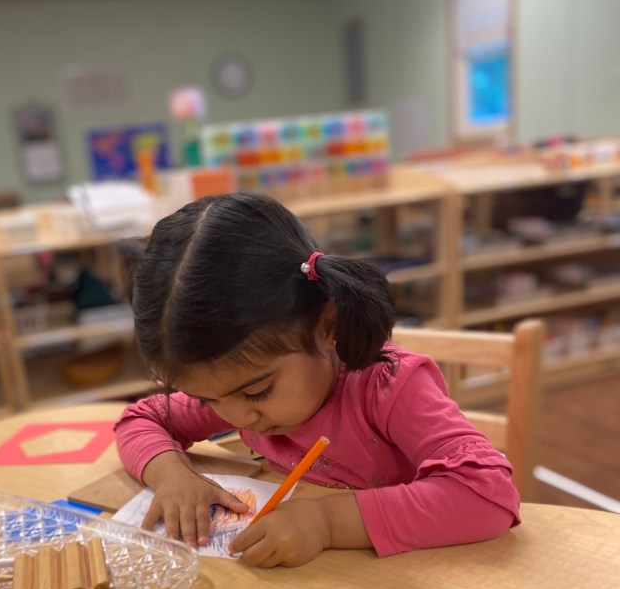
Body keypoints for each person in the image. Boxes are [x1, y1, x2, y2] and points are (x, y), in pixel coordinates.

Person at [114, 192, 520, 568]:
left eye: (257, 391)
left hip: (403, 584)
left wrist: (327, 522)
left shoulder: (388, 387)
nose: (238, 417)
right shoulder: (233, 390)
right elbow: (140, 420)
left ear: (326, 326)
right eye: (207, 400)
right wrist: (172, 475)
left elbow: (488, 494)